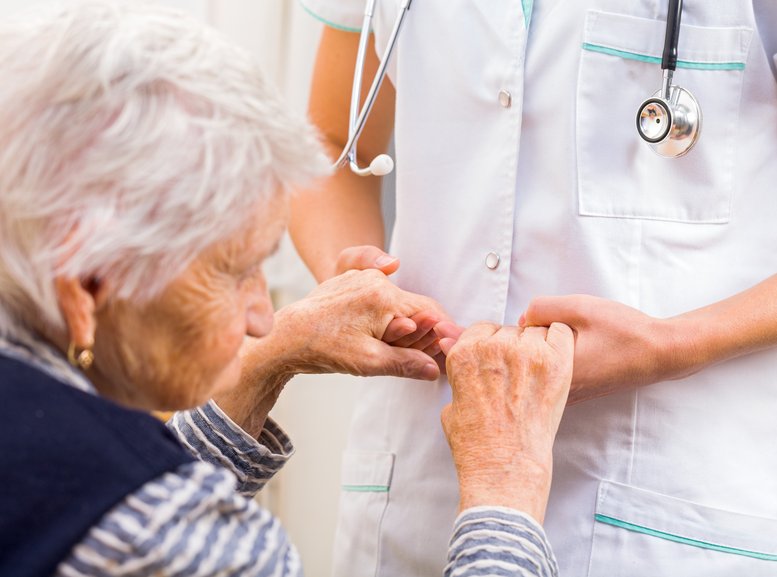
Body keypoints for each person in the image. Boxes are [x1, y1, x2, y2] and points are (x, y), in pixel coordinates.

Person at [0, 2, 576, 576]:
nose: (262, 318)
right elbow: (144, 520)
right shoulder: (172, 537)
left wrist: (262, 364)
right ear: (88, 284)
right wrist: (506, 485)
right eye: (236, 271)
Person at [293, 1, 777, 576]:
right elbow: (325, 141)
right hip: (414, 487)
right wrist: (353, 286)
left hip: (664, 502)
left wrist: (676, 343)